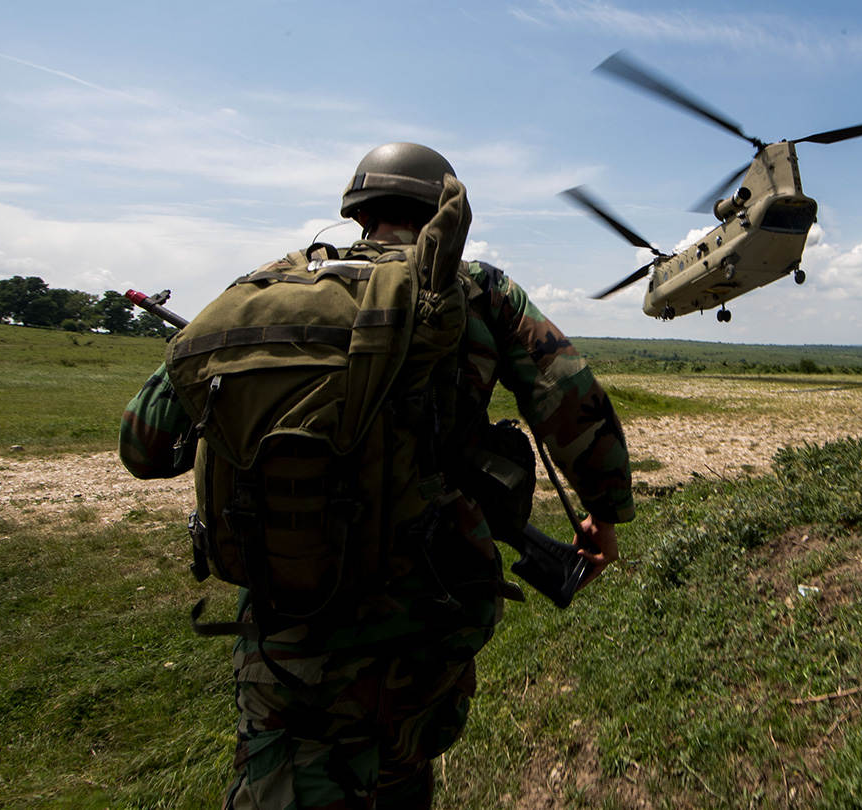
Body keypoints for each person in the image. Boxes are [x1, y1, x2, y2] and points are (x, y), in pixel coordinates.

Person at [119, 142, 635, 808]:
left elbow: (145, 448)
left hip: (288, 625)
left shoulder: (261, 293)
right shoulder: (477, 290)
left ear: (360, 212)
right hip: (425, 621)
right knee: (400, 773)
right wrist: (603, 514)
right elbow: (571, 399)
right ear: (438, 211)